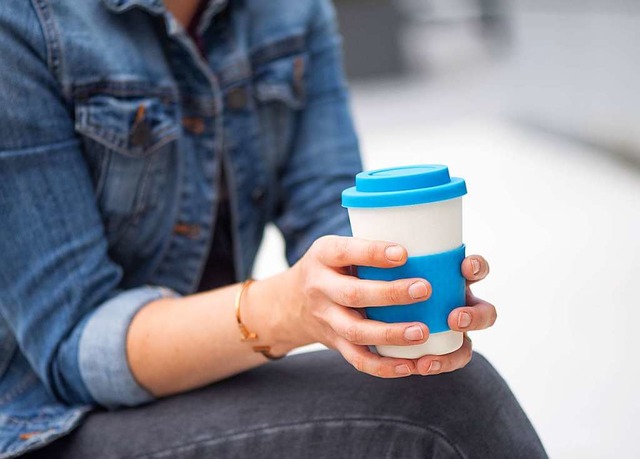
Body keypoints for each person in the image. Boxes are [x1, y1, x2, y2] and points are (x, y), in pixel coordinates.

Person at [0, 0, 547, 457]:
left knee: (437, 382)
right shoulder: (22, 21)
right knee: (449, 413)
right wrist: (287, 310)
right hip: (46, 424)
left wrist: (381, 292)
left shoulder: (289, 9)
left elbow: (327, 216)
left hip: (208, 380)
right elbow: (73, 348)